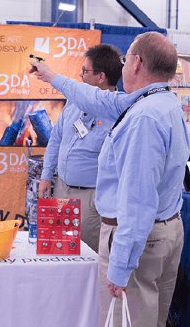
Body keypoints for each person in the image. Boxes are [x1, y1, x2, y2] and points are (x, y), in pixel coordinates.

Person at [30, 32, 190, 327]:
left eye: (125, 58)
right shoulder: (157, 103)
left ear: (137, 63)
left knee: (125, 321)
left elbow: (138, 200)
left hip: (140, 240)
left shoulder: (143, 119)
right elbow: (91, 96)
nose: (124, 64)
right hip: (164, 232)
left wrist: (120, 268)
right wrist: (51, 75)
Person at [39, 43, 123, 253]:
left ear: (101, 77)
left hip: (91, 198)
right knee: (58, 250)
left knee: (87, 256)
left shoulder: (118, 114)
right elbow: (56, 138)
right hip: (61, 188)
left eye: (85, 71)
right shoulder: (74, 102)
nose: (80, 75)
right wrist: (46, 175)